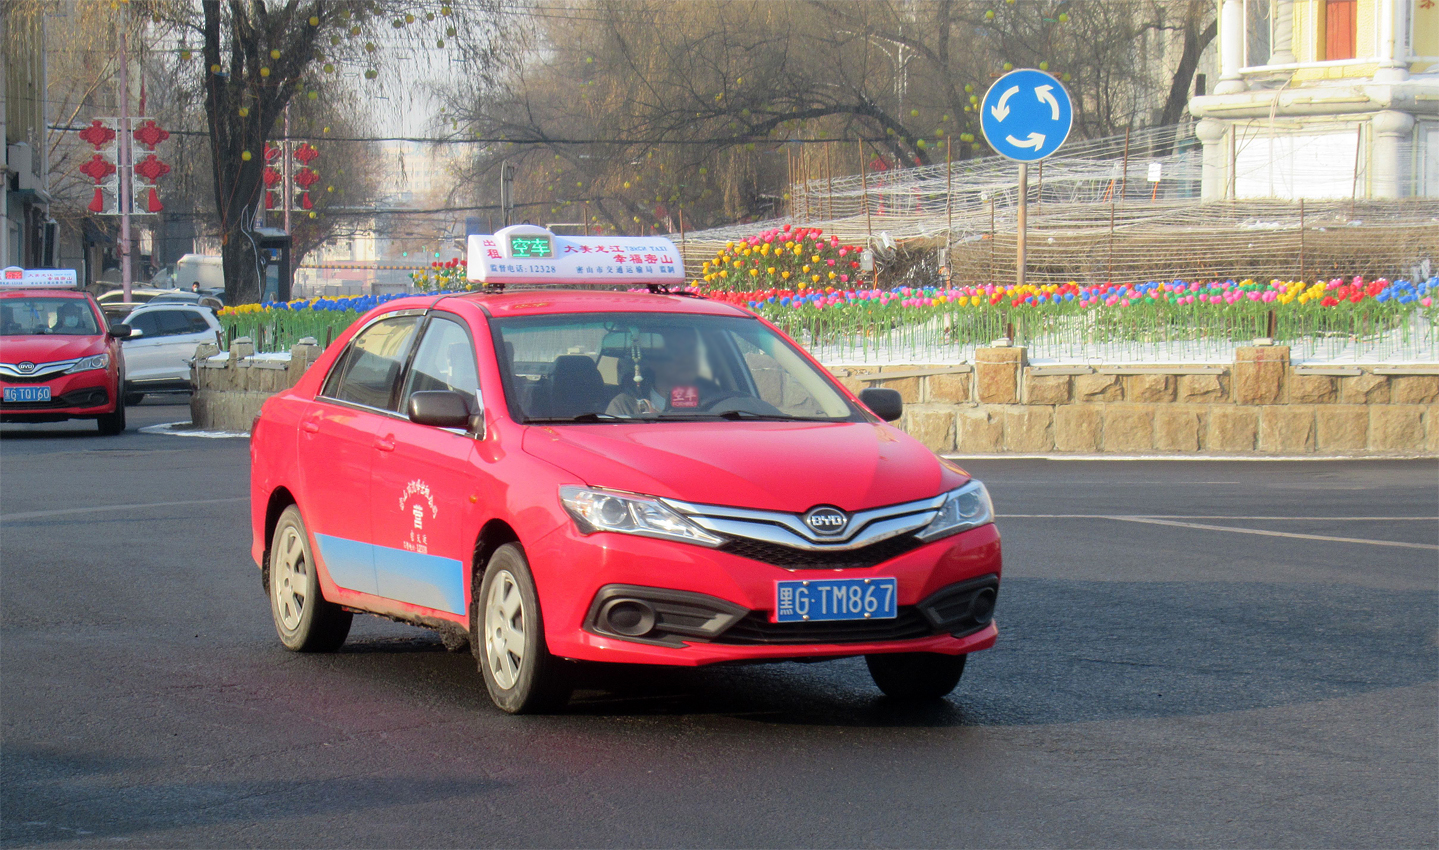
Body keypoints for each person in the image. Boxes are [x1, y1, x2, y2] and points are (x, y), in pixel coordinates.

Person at [606, 326, 721, 416]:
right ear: (654, 361)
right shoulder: (625, 406)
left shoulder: (714, 404)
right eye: (676, 351)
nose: (687, 358)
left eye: (691, 350)